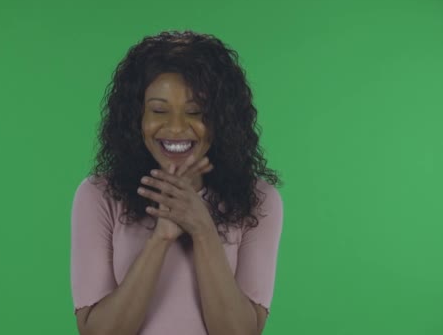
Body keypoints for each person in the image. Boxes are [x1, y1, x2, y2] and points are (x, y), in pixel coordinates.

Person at [70, 30, 284, 335]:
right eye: (158, 110)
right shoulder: (98, 196)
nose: (175, 128)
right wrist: (161, 238)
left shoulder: (259, 200)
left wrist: (202, 228)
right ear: (136, 117)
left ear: (221, 119)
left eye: (195, 112)